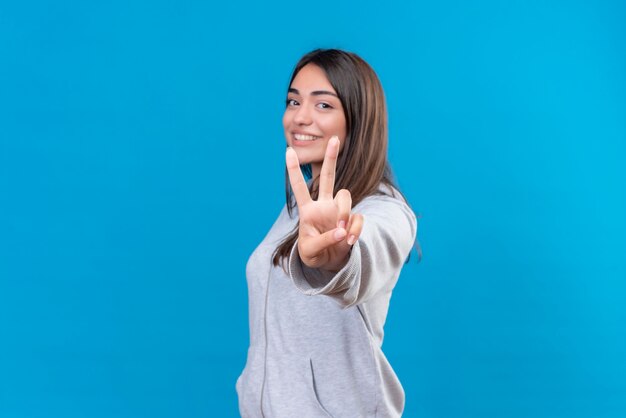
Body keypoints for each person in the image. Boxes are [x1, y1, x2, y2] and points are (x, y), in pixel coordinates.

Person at [235, 48, 420, 418]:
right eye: (293, 101)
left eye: (323, 105)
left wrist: (337, 257)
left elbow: (363, 254)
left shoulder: (384, 211)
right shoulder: (297, 212)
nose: (300, 117)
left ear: (358, 119)